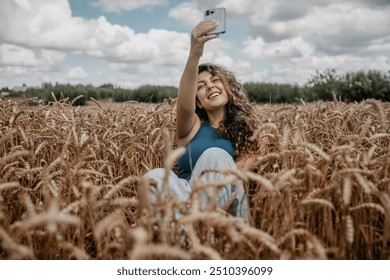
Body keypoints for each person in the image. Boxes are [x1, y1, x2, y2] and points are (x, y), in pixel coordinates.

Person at [145, 20, 264, 220]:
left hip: (225, 207)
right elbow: (183, 106)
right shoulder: (192, 127)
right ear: (198, 102)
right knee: (155, 176)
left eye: (215, 81)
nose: (210, 87)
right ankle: (180, 240)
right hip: (183, 197)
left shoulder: (249, 132)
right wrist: (195, 53)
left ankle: (201, 235)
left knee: (215, 156)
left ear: (229, 89)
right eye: (201, 86)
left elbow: (238, 176)